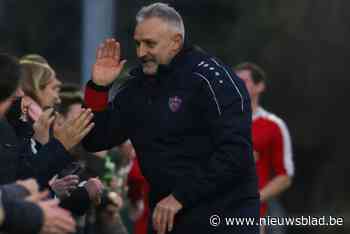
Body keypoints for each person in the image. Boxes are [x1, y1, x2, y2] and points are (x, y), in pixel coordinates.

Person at [83, 3, 259, 234]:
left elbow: (235, 154)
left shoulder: (213, 80)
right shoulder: (138, 88)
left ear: (176, 41)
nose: (140, 52)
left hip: (224, 216)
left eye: (150, 44)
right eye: (138, 43)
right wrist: (99, 87)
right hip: (167, 217)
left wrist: (180, 197)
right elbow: (96, 140)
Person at [0, 53, 77, 234]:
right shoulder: (11, 130)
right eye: (53, 88)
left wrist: (17, 190)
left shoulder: (14, 129)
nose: (19, 94)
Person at [235, 63, 294, 232]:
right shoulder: (217, 122)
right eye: (234, 80)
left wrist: (254, 199)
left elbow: (285, 176)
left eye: (244, 81)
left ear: (260, 86)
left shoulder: (274, 125)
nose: (237, 84)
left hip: (256, 214)